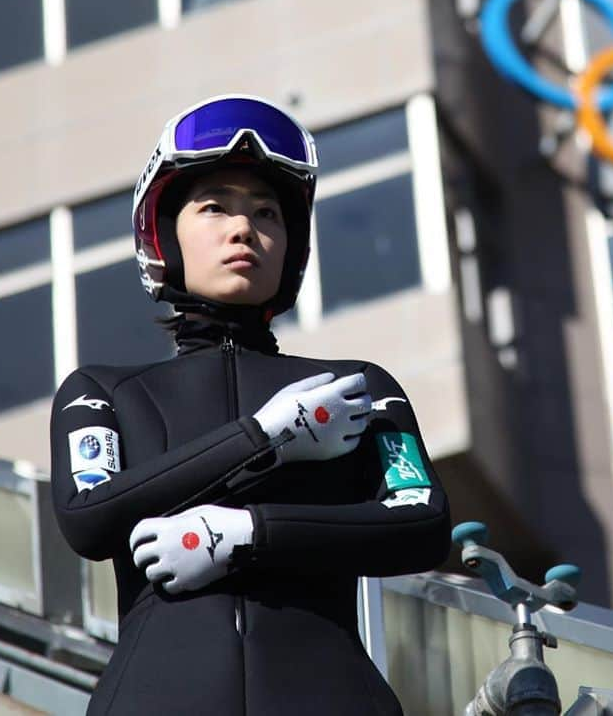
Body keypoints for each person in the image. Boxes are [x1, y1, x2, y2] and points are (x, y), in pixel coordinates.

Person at [49, 94, 451, 714]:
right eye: (214, 208)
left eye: (267, 213)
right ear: (165, 236)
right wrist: (266, 436)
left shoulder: (355, 386)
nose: (244, 228)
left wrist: (246, 535)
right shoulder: (101, 392)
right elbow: (90, 517)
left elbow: (420, 524)